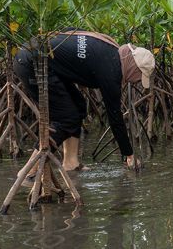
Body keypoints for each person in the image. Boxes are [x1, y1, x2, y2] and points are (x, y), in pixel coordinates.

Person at [14, 29, 155, 171]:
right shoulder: (112, 71)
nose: (135, 81)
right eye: (138, 76)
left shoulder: (110, 50)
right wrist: (129, 155)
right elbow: (115, 119)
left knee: (79, 105)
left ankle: (71, 162)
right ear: (134, 67)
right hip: (33, 63)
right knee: (67, 119)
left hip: (32, 53)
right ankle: (29, 171)